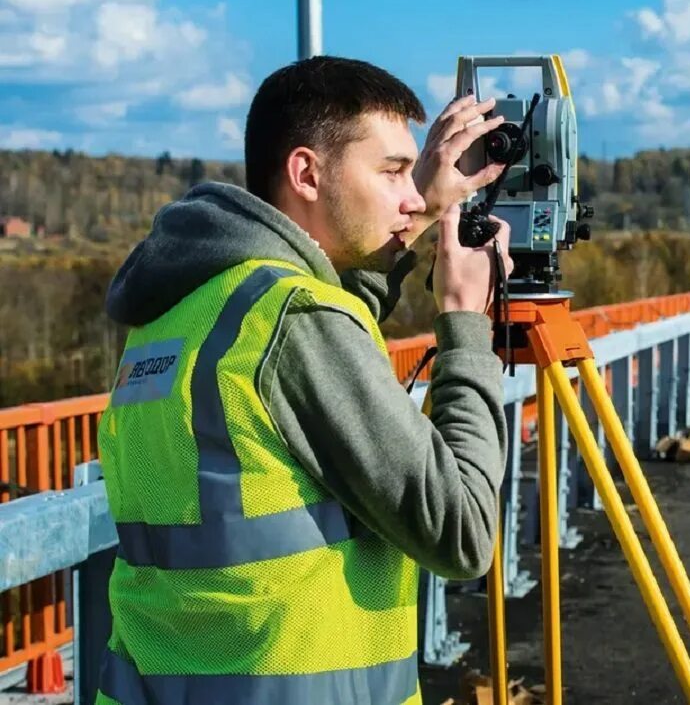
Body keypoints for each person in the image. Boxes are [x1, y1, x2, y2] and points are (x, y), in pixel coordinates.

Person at [95, 56, 514, 705]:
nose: (411, 196)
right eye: (392, 172)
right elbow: (462, 532)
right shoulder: (295, 321)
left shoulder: (182, 310)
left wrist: (416, 218)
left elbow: (308, 375)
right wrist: (464, 322)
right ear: (306, 173)